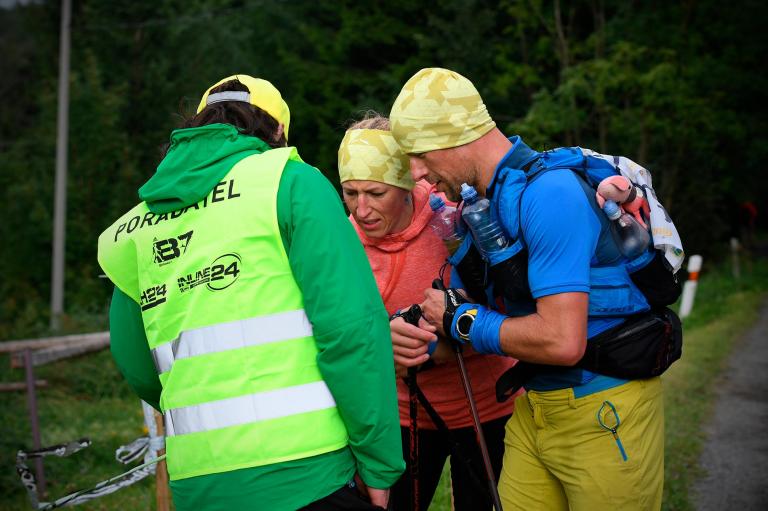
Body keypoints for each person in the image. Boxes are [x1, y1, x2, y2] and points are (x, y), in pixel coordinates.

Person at [97, 75, 404, 510]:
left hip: (198, 483)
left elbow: (137, 364)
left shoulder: (134, 229)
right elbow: (352, 333)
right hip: (308, 473)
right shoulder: (292, 183)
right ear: (278, 132)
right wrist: (378, 462)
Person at [389, 68, 667, 510]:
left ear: (455, 136)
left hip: (605, 409)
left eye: (419, 155)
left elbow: (561, 340)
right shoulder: (486, 204)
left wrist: (460, 319)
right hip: (534, 408)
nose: (418, 175)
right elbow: (469, 315)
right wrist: (406, 333)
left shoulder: (549, 194)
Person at [337, 114, 518, 511]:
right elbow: (331, 336)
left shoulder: (455, 218)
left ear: (404, 184)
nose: (361, 209)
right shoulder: (340, 243)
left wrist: (431, 348)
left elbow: (509, 307)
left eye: (375, 192)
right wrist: (380, 345)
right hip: (401, 418)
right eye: (350, 192)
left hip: (488, 407)